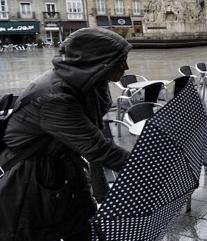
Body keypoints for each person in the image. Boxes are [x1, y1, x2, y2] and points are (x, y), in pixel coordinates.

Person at [0, 27, 131, 241]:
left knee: (81, 224)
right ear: (99, 61)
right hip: (31, 180)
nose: (126, 66)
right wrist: (149, 168)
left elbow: (95, 139)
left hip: (64, 168)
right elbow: (99, 149)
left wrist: (102, 193)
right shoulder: (56, 98)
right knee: (46, 230)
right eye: (121, 60)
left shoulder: (89, 84)